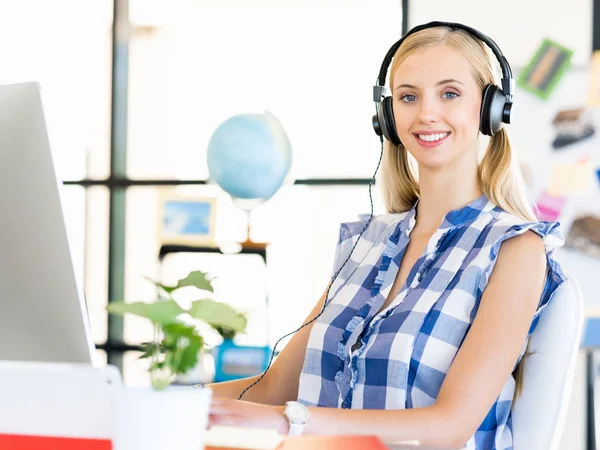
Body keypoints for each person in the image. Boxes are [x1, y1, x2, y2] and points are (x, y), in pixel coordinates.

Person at [206, 22, 567, 449]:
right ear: (387, 117)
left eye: (449, 94)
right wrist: (160, 401)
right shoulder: (369, 243)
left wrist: (293, 424)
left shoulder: (514, 248)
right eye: (408, 97)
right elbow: (272, 388)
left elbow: (450, 426)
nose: (426, 113)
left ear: (489, 108)